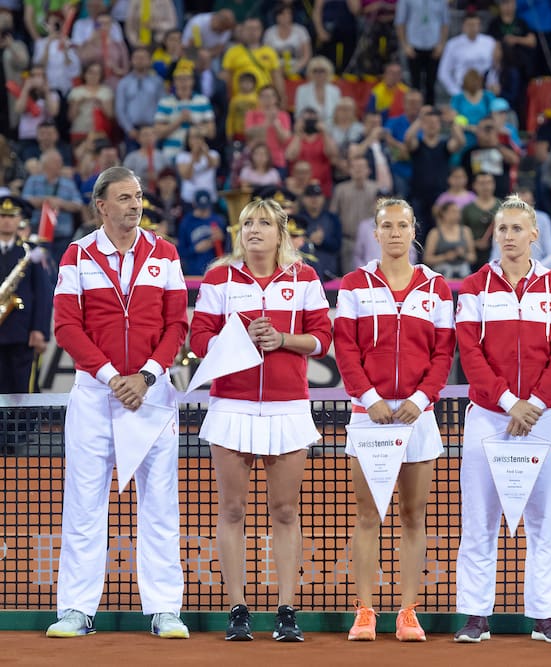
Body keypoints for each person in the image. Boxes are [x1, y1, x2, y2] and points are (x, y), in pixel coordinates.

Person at [47, 166, 189, 639]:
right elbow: (66, 326)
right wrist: (112, 378)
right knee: (84, 503)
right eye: (125, 197)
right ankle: (75, 609)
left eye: (139, 196)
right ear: (102, 206)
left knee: (161, 504)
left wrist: (147, 376)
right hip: (94, 396)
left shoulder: (164, 254)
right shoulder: (76, 255)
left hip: (152, 394)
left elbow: (176, 325)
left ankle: (165, 608)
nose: (135, 204)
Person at [189, 197, 333, 642]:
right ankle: (237, 608)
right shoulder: (219, 278)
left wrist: (283, 338)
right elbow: (199, 340)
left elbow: (323, 340)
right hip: (231, 405)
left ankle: (286, 609)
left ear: (280, 233)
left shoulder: (305, 277)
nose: (254, 230)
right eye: (247, 223)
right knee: (231, 510)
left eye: (264, 223)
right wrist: (242, 336)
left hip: (288, 407)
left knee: (285, 511)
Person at [454, 195, 551, 644]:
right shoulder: (473, 288)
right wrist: (510, 403)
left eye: (516, 229)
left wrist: (536, 405)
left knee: (545, 521)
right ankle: (474, 615)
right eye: (502, 229)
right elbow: (471, 355)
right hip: (489, 418)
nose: (508, 236)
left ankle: (546, 617)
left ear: (534, 234)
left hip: (543, 419)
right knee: (479, 519)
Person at [334, 197, 456, 642]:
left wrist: (422, 399)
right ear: (376, 232)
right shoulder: (353, 284)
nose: (395, 233)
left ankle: (408, 611)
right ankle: (364, 611)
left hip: (417, 418)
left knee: (413, 514)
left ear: (414, 230)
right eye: (387, 226)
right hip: (370, 418)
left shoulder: (436, 287)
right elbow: (345, 349)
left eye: (403, 225)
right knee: (367, 515)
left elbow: (444, 352)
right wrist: (370, 399)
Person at [0, 196, 51, 393]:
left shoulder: (31, 252)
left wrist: (40, 330)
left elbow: (43, 295)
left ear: (20, 219)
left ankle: (25, 426)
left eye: (12, 216)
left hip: (23, 333)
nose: (6, 220)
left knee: (24, 391)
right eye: (2, 215)